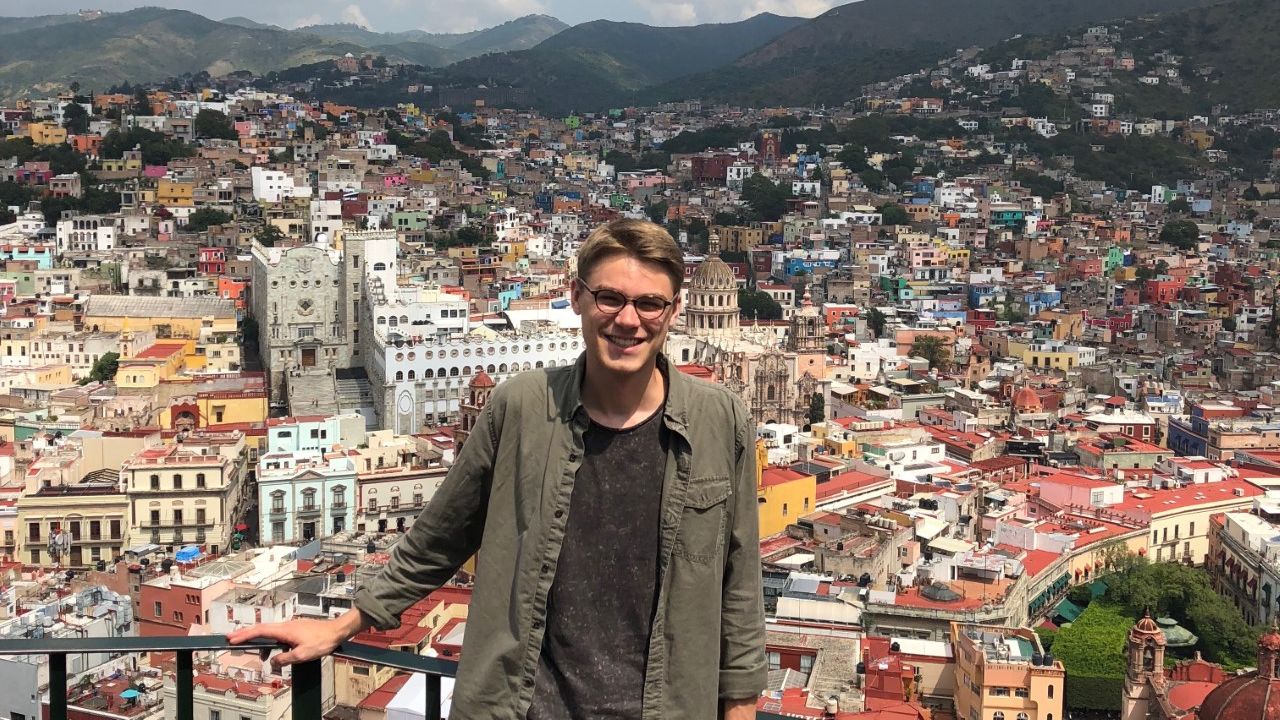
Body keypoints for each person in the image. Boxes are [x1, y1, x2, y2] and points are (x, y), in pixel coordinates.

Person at [229, 218, 766, 719]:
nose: (628, 320)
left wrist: (739, 709)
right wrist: (344, 624)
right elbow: (439, 538)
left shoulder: (720, 421)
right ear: (577, 297)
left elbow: (738, 581)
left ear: (673, 312)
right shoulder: (520, 408)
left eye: (649, 303)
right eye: (609, 298)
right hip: (529, 705)